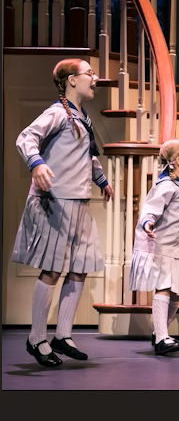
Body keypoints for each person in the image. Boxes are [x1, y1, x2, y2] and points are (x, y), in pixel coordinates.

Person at [12, 58, 113, 367]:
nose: (95, 78)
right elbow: (26, 137)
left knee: (80, 266)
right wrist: (37, 164)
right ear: (71, 80)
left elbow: (87, 155)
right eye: (89, 73)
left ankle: (63, 335)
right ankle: (36, 338)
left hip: (80, 201)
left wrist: (102, 181)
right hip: (58, 200)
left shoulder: (82, 117)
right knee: (53, 269)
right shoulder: (57, 113)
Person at [130, 139, 179, 355]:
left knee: (177, 293)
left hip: (170, 247)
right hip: (158, 245)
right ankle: (161, 338)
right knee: (165, 287)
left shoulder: (178, 186)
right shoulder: (167, 186)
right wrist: (148, 222)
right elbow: (151, 208)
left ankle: (160, 332)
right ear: (178, 161)